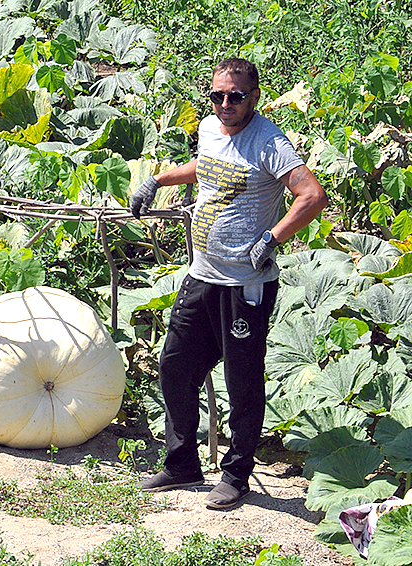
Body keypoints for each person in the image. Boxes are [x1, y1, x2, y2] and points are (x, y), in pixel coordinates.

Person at [129, 58, 328, 509]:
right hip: (203, 275)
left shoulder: (270, 143)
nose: (224, 104)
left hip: (246, 286)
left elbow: (312, 194)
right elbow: (206, 168)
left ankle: (236, 475)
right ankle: (181, 463)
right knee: (176, 364)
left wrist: (272, 237)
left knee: (242, 380)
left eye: (235, 96)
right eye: (217, 95)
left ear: (254, 97)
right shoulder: (210, 128)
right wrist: (157, 179)